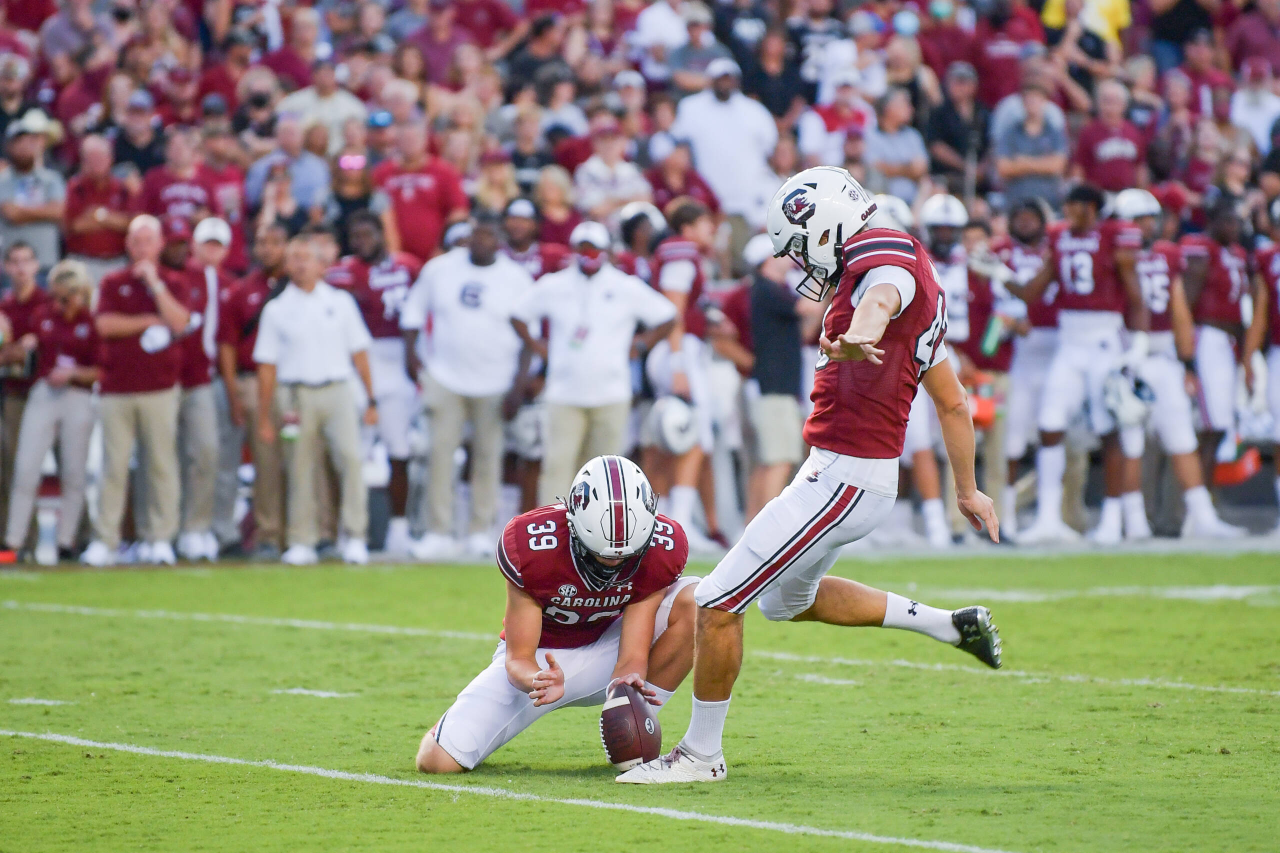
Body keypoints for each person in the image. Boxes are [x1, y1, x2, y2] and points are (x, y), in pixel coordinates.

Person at [616, 167, 1001, 784]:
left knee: (717, 600)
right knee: (785, 602)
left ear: (826, 227)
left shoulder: (887, 260)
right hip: (846, 475)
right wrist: (967, 489)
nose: (800, 260)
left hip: (846, 478)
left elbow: (882, 295)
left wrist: (860, 332)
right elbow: (952, 402)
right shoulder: (911, 272)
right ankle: (948, 625)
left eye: (799, 245)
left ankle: (699, 755)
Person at [416, 455, 698, 774]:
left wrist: (627, 684)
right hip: (542, 658)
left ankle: (632, 732)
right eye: (601, 556)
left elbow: (631, 655)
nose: (615, 566)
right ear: (574, 525)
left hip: (609, 647)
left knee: (699, 601)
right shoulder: (533, 545)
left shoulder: (662, 547)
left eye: (628, 555)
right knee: (436, 761)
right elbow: (517, 658)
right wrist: (538, 678)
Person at [999, 184, 1150, 544]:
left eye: (1078, 205)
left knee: (1109, 428)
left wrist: (1138, 343)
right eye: (1067, 204)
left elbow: (1135, 294)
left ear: (1094, 209)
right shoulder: (1059, 238)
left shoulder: (1114, 236)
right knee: (1050, 424)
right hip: (1069, 341)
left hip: (1104, 340)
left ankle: (1113, 521)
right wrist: (1000, 275)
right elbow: (1033, 293)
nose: (1070, 211)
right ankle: (1048, 519)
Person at [512, 221, 677, 504]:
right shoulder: (556, 284)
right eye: (583, 249)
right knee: (558, 466)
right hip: (564, 392)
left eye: (594, 249)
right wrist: (538, 346)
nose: (589, 254)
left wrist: (641, 344)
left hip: (611, 392)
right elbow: (518, 314)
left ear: (606, 251)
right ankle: (555, 534)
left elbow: (667, 315)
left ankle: (600, 535)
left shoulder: (625, 286)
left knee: (606, 473)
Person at [1113, 189, 1245, 540]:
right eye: (1137, 220)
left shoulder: (1169, 254)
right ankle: (1133, 520)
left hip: (1164, 355)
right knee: (1131, 441)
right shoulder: (1115, 255)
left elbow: (1179, 310)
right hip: (1127, 353)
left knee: (1182, 436)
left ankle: (1201, 516)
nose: (1144, 227)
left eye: (1147, 220)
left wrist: (1187, 362)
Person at [400, 214, 534, 559]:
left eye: (489, 234)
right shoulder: (440, 269)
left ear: (500, 238)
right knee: (439, 454)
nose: (482, 240)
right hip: (445, 376)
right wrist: (412, 357)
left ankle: (480, 530)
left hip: (496, 381)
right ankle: (437, 531)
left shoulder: (516, 278)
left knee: (488, 457)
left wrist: (520, 383)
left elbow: (529, 336)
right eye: (477, 233)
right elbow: (413, 313)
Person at [253, 235, 378, 567]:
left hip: (338, 389)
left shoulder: (340, 302)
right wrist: (265, 415)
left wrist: (371, 398)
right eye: (293, 258)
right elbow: (267, 365)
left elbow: (360, 353)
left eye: (306, 257)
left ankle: (355, 536)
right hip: (296, 394)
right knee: (299, 467)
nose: (299, 264)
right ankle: (301, 539)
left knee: (350, 461)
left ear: (323, 264)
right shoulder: (277, 308)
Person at [82, 215, 192, 567]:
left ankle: (160, 538)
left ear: (159, 245)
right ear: (128, 245)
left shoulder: (174, 281)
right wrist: (146, 321)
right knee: (112, 467)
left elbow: (179, 323)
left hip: (160, 386)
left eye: (148, 240)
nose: (142, 247)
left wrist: (156, 286)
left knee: (161, 464)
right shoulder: (113, 282)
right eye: (136, 241)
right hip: (117, 387)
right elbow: (104, 325)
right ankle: (106, 540)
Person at [325, 211, 423, 556]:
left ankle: (398, 528)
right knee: (353, 451)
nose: (362, 242)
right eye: (356, 237)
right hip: (358, 362)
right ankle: (348, 529)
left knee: (399, 450)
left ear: (383, 234)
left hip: (397, 362)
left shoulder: (408, 266)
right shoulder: (343, 271)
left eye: (368, 235)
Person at [4, 260, 99, 562]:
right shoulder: (43, 316)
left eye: (69, 294)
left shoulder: (91, 321)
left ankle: (66, 540)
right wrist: (20, 346)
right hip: (45, 392)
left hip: (77, 394)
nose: (63, 301)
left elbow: (102, 369)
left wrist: (74, 375)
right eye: (59, 294)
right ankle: (13, 540)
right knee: (26, 467)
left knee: (73, 471)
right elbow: (19, 353)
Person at [644, 199, 724, 553]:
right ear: (687, 227)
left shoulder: (684, 254)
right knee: (693, 438)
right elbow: (672, 309)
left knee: (667, 438)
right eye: (706, 222)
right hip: (678, 352)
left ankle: (656, 519)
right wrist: (678, 364)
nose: (712, 229)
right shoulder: (681, 252)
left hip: (678, 350)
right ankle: (678, 524)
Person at [216, 222, 289, 560]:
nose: (267, 249)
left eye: (275, 242)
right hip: (253, 381)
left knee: (301, 462)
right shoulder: (241, 290)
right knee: (266, 462)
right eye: (261, 242)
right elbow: (228, 346)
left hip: (292, 381)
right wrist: (233, 393)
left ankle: (305, 532)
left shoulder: (302, 289)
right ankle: (268, 534)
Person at [990, 199, 1056, 540]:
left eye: (1033, 218)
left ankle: (1052, 515)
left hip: (1057, 346)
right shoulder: (999, 251)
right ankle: (1009, 519)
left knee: (1055, 435)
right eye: (1021, 217)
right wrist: (1010, 324)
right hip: (1015, 352)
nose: (1027, 223)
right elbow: (988, 302)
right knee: (1012, 440)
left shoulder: (1055, 251)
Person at [1181, 200, 1258, 487]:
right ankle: (1199, 501)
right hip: (1207, 338)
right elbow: (1187, 301)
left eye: (1237, 222)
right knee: (1211, 425)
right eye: (1227, 221)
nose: (1234, 227)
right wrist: (1186, 353)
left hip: (1228, 345)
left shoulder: (1237, 253)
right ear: (1212, 222)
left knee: (1221, 424)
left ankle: (1205, 498)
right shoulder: (1201, 250)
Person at [173, 217, 236, 561]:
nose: (211, 251)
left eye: (218, 245)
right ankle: (168, 529)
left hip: (210, 379)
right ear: (194, 245)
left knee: (208, 454)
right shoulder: (180, 279)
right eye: (206, 244)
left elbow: (229, 339)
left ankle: (199, 527)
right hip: (176, 377)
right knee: (170, 457)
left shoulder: (229, 285)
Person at [0, 242, 53, 541]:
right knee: (16, 466)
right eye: (14, 262)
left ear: (36, 265)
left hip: (49, 392)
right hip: (16, 393)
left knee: (68, 465)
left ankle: (76, 537)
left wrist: (15, 349)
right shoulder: (5, 308)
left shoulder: (47, 302)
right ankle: (19, 538)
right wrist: (15, 349)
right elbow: (13, 354)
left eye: (26, 261)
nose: (20, 269)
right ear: (6, 267)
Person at [371, 119, 469, 264]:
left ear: (424, 141)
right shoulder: (381, 174)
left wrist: (442, 247)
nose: (410, 144)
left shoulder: (444, 172)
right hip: (392, 257)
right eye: (405, 139)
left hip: (436, 256)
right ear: (397, 142)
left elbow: (459, 211)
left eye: (414, 139)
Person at [0, 111, 66, 271]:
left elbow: (58, 212)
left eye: (29, 141)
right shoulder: (2, 180)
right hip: (12, 269)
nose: (24, 147)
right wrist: (45, 210)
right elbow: (11, 214)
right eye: (18, 142)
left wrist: (22, 212)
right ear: (9, 146)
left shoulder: (52, 178)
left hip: (47, 263)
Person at [63, 134, 131, 283]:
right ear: (83, 162)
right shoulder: (75, 187)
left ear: (110, 159)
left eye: (100, 158)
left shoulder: (122, 187)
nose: (96, 163)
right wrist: (113, 221)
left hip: (117, 261)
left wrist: (100, 215)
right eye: (91, 159)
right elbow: (75, 225)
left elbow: (129, 224)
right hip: (83, 262)